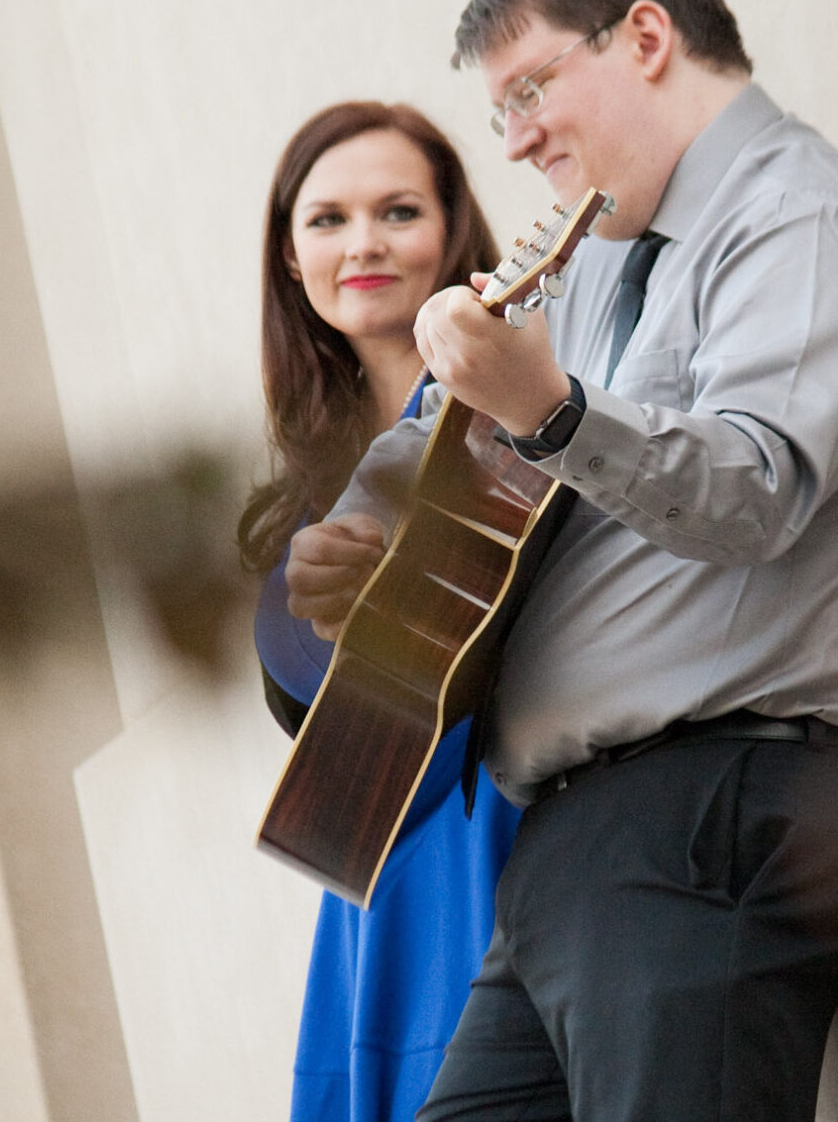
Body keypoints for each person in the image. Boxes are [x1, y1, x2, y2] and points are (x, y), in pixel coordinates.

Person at [287, 0, 838, 1122]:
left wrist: (546, 409)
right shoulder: (602, 258)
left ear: (646, 37)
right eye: (499, 111)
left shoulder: (807, 220)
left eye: (531, 90)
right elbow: (536, 504)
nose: (514, 141)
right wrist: (389, 526)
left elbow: (755, 488)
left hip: (724, 809)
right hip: (583, 846)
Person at [240, 101, 526, 1122]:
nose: (362, 242)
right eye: (327, 219)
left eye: (397, 211)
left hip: (510, 838)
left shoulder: (519, 401)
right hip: (378, 886)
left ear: (453, 230)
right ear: (287, 254)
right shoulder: (299, 499)